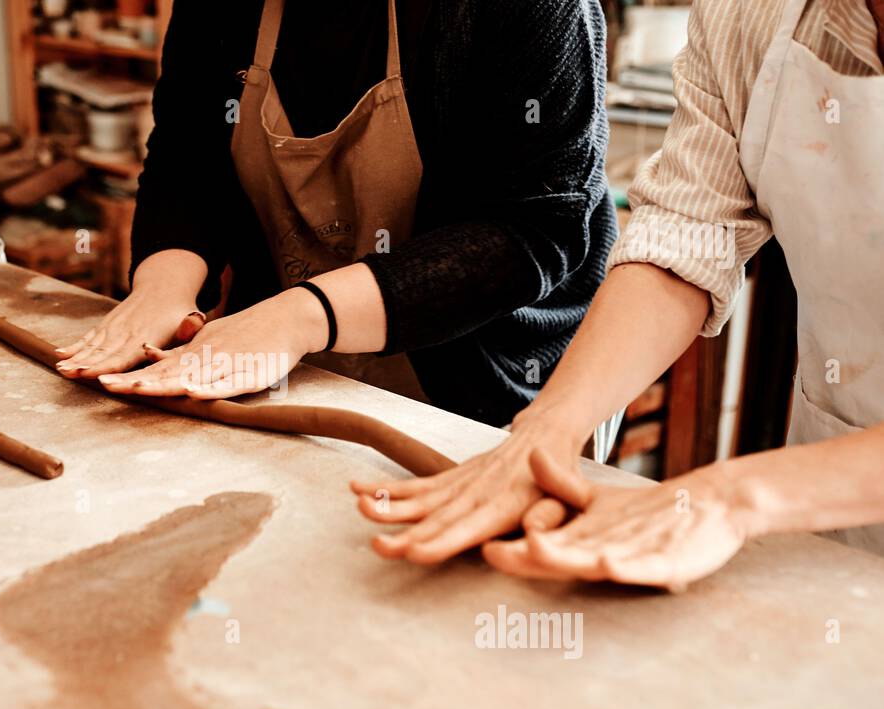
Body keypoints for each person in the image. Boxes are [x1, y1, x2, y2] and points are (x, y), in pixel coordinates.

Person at [354, 0, 884, 587]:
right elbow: (683, 236)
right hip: (827, 503)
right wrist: (547, 432)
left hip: (792, 492)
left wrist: (734, 495)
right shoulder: (749, 15)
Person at [54, 0, 617, 430]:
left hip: (488, 374)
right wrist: (162, 288)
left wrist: (299, 318)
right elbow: (190, 155)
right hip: (283, 360)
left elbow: (530, 230)